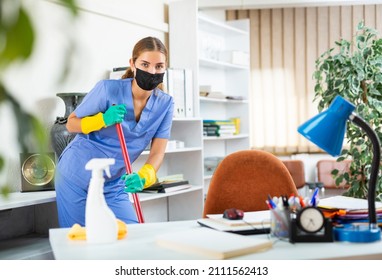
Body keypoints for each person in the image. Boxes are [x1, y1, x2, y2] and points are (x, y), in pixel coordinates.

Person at [55, 37, 174, 227]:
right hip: (77, 175)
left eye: (159, 66)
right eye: (145, 64)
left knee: (131, 236)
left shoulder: (166, 104)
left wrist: (145, 176)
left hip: (113, 183)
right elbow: (71, 124)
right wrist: (102, 119)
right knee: (79, 241)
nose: (152, 71)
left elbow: (158, 152)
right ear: (132, 64)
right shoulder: (107, 90)